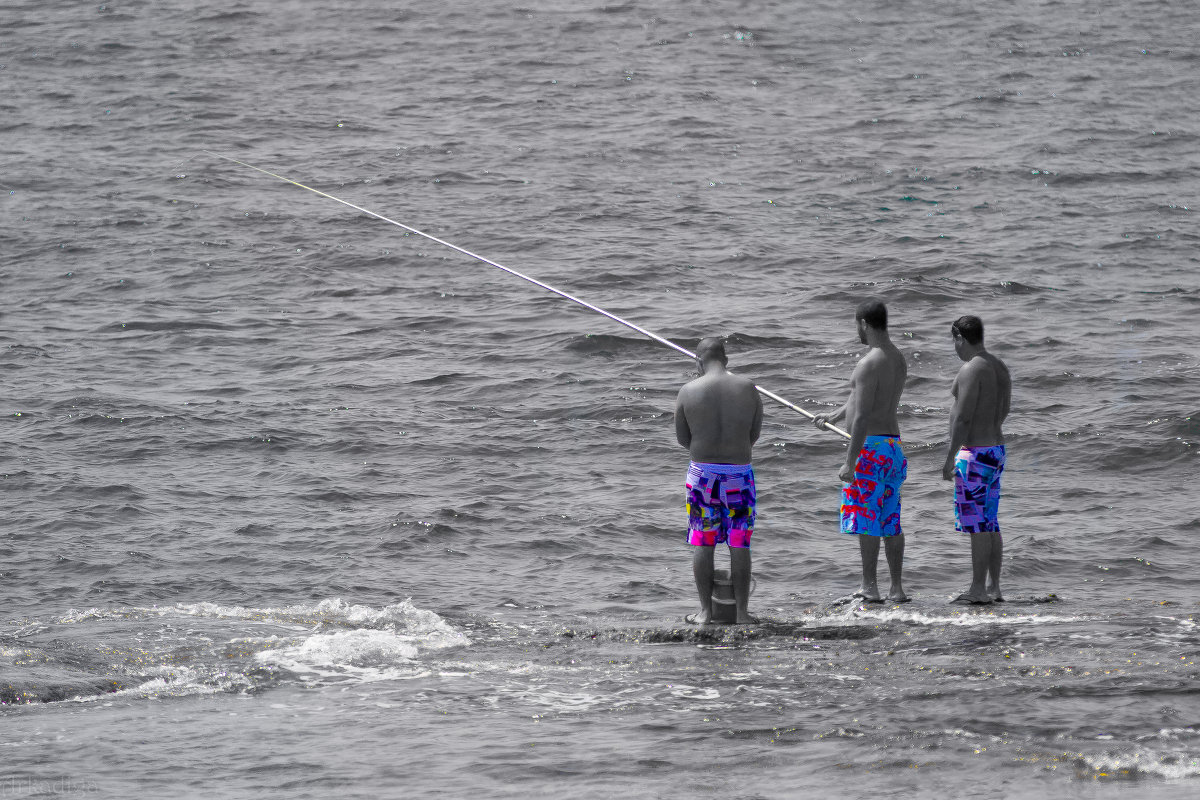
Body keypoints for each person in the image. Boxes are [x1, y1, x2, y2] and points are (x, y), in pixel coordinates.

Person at [813, 300, 909, 603]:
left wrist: (849, 462)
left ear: (864, 324)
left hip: (871, 447)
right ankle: (897, 588)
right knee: (890, 518)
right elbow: (863, 400)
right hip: (892, 446)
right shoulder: (897, 358)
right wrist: (835, 416)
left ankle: (869, 586)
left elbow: (865, 415)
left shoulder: (869, 362)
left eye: (857, 325)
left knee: (868, 519)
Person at [675, 337, 763, 624]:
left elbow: (683, 439)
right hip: (739, 473)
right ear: (725, 359)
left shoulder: (688, 390)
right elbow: (754, 435)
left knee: (703, 540)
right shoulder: (748, 388)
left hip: (703, 474)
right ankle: (741, 613)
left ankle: (705, 612)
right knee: (739, 542)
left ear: (698, 362)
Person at [942, 315, 1011, 604]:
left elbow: (962, 417)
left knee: (979, 524)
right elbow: (1005, 409)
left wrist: (950, 457)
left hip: (976, 454)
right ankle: (993, 587)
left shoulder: (971, 368)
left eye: (953, 340)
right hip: (995, 449)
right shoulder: (999, 366)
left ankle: (977, 589)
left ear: (959, 337)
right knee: (990, 521)